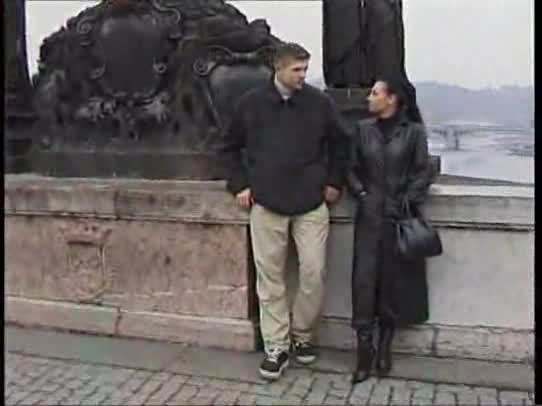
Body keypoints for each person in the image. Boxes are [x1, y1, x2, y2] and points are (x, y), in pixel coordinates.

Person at [222, 42, 350, 381]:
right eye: (297, 70)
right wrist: (240, 185)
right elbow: (229, 148)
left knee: (313, 273)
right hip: (266, 203)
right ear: (278, 68)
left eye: (305, 69)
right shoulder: (250, 104)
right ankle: (276, 347)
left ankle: (302, 335)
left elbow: (342, 143)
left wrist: (334, 182)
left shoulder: (319, 103)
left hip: (311, 203)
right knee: (270, 280)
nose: (303, 76)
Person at [346, 77, 435, 384]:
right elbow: (350, 167)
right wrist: (361, 194)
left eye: (375, 93)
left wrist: (407, 199)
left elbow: (423, 170)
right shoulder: (362, 129)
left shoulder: (413, 132)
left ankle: (384, 348)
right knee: (363, 283)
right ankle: (364, 350)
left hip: (397, 219)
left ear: (392, 99)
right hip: (368, 218)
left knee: (391, 284)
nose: (368, 98)